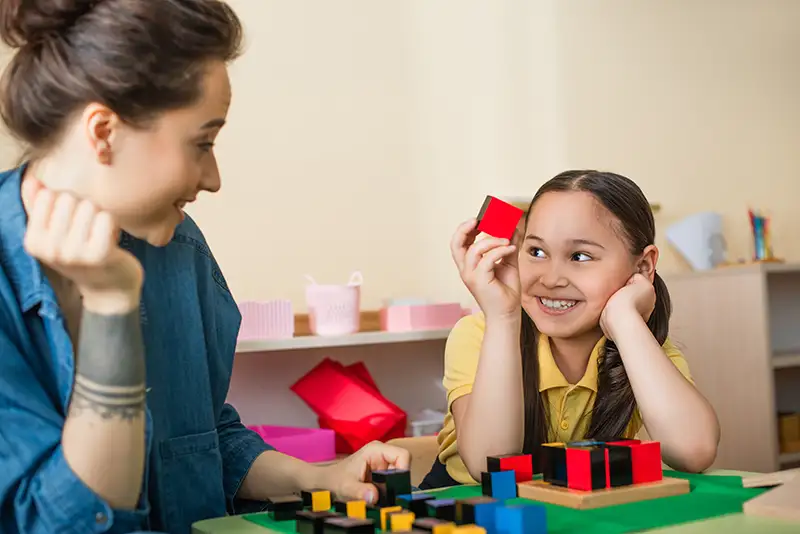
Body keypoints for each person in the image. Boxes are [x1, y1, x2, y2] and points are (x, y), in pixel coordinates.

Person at [0, 1, 410, 534]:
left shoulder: (179, 248)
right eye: (202, 142)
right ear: (104, 132)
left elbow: (204, 437)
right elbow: (67, 522)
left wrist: (321, 479)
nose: (213, 178)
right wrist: (109, 311)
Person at [419, 170, 720, 489]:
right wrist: (504, 317)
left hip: (570, 510)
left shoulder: (640, 346)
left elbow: (695, 451)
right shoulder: (478, 333)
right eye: (536, 252)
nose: (550, 279)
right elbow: (491, 465)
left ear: (643, 266)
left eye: (580, 256)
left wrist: (626, 321)